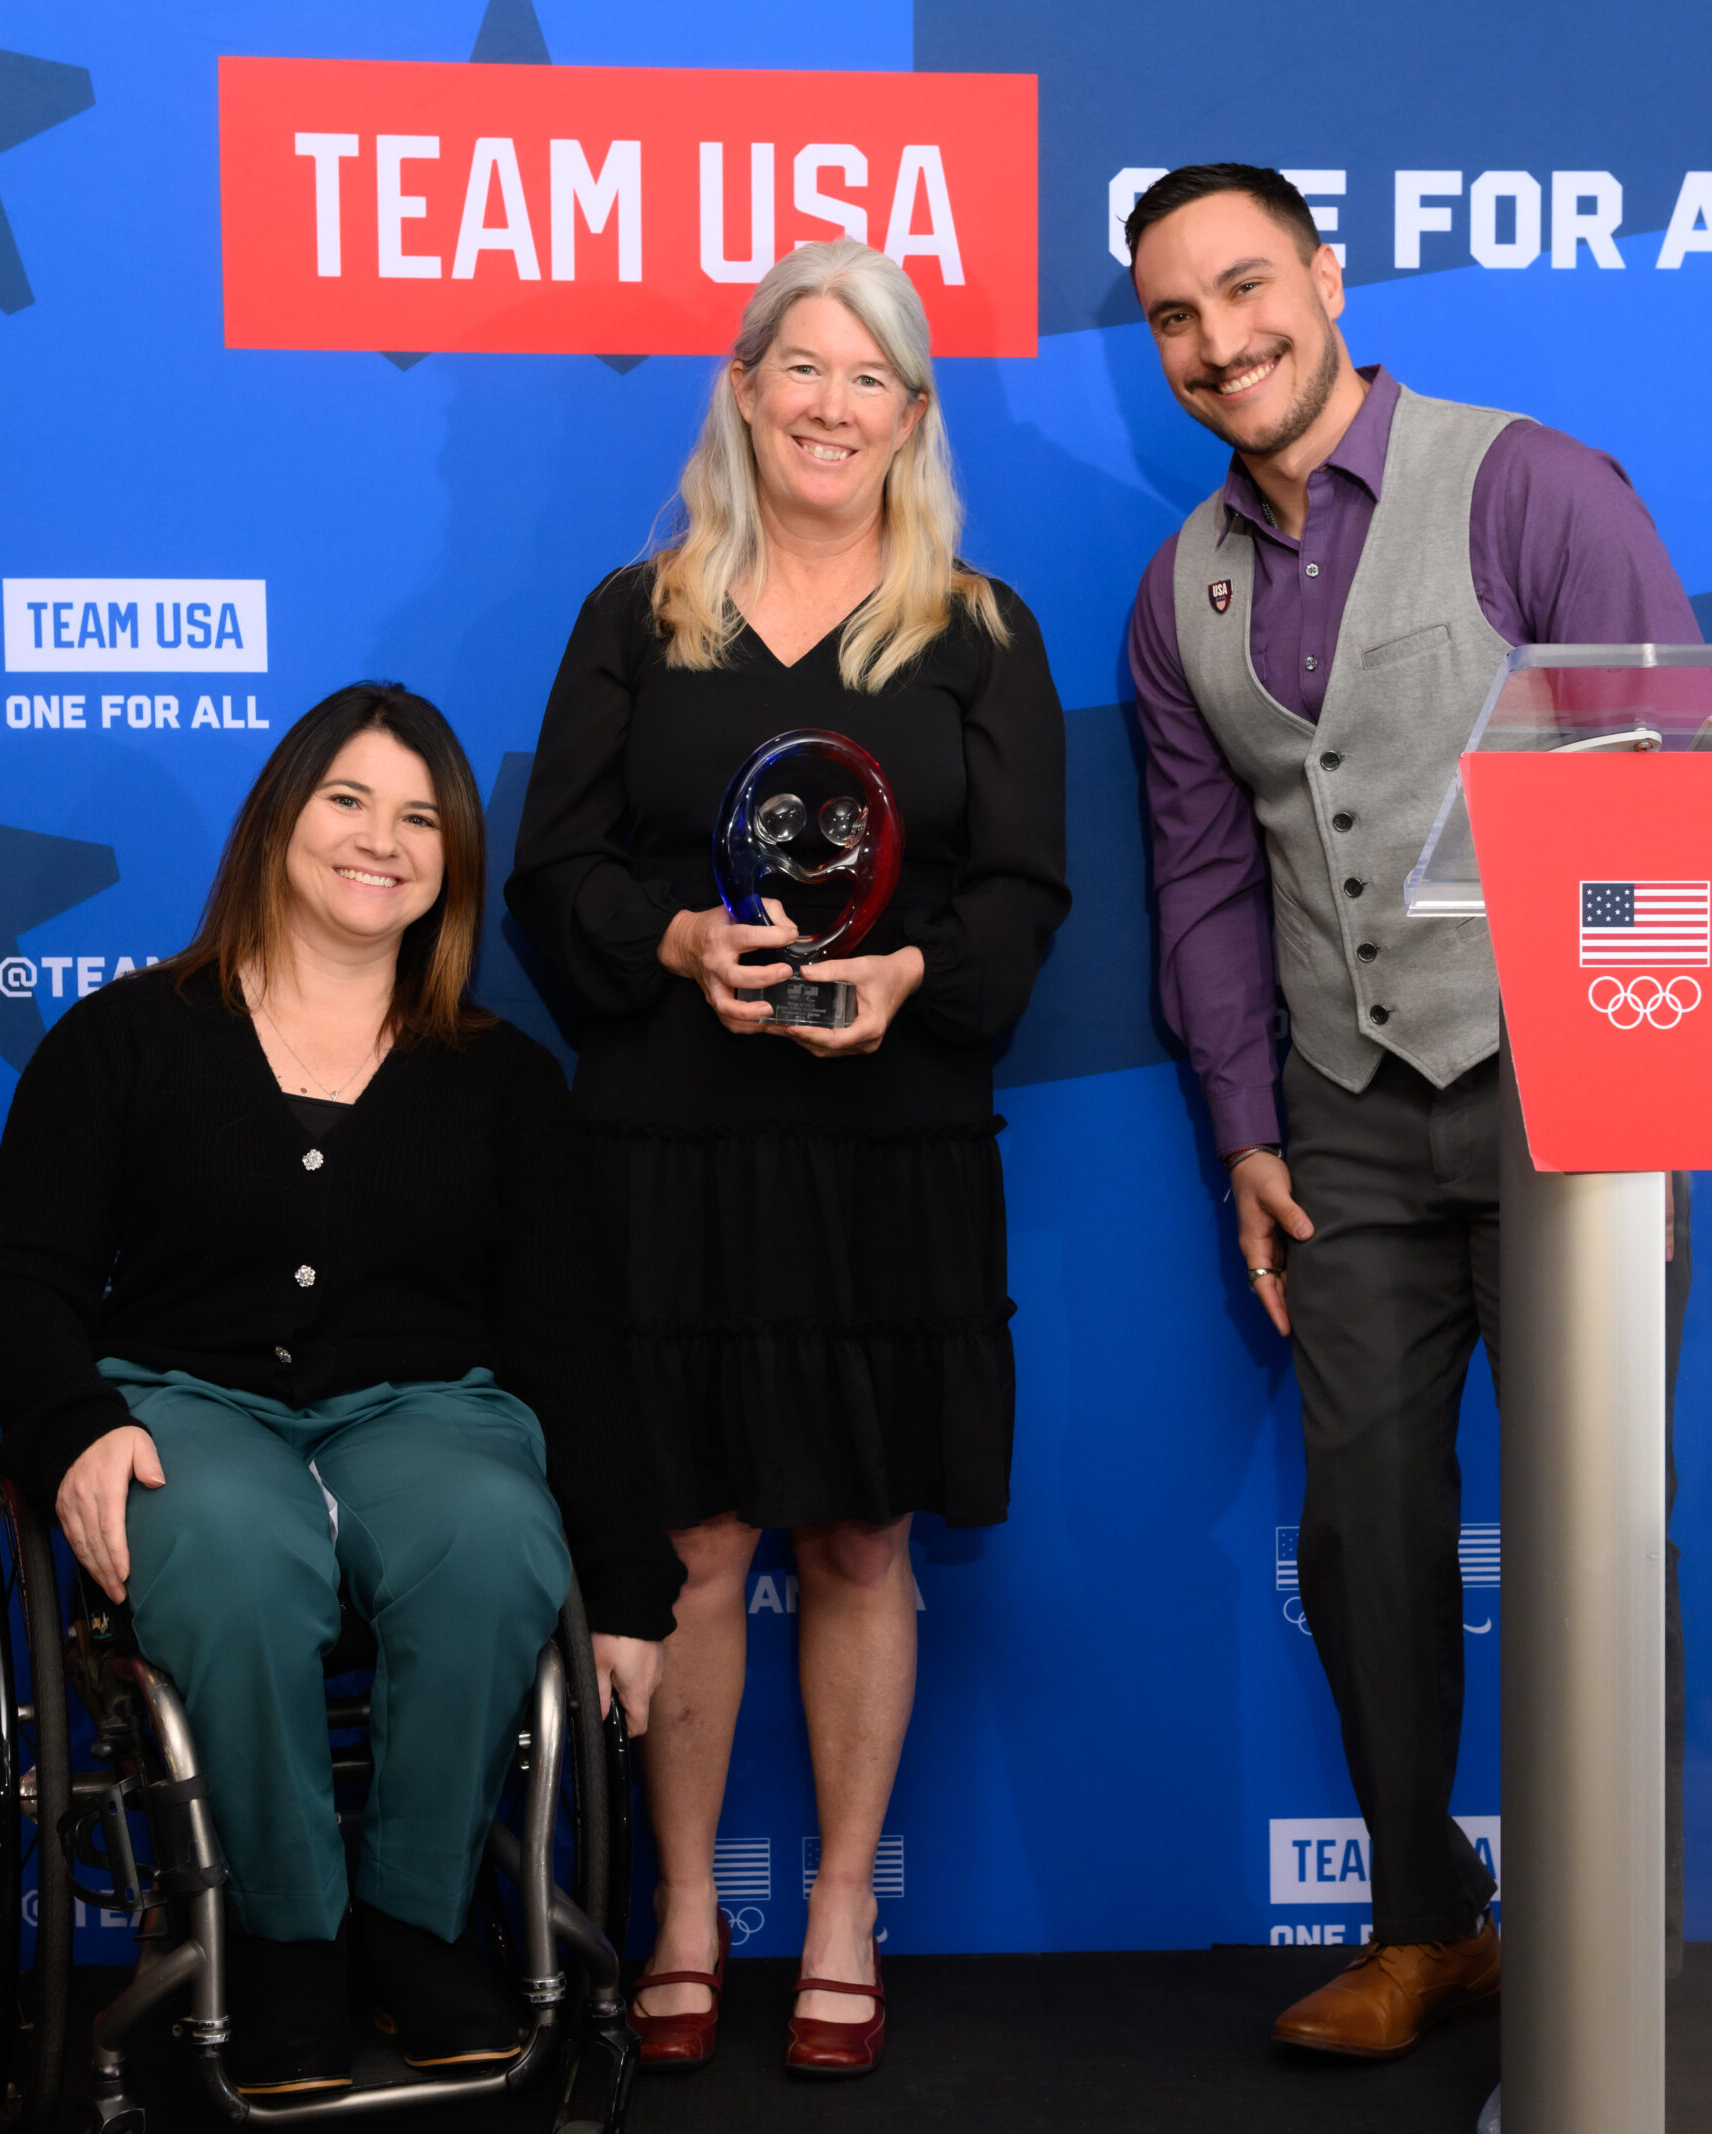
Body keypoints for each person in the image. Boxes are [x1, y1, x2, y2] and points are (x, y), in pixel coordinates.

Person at [1121, 165, 1698, 2060]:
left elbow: (1670, 803)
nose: (1220, 342)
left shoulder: (1536, 487)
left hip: (1566, 1094)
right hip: (1345, 1116)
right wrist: (1246, 1132)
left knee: (1594, 1527)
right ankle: (1422, 1921)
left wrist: (1637, 1084)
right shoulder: (1179, 591)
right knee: (1364, 1528)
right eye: (1176, 319)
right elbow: (1203, 880)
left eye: (1247, 289)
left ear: (1330, 278)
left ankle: (1612, 1926)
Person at [507, 240, 1068, 2079]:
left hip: (885, 1147)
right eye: (801, 369)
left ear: (913, 417)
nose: (832, 406)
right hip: (673, 1141)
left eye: (872, 379)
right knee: (689, 1538)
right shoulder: (634, 615)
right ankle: (684, 1907)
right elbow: (549, 880)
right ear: (742, 389)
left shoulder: (980, 630)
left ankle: (840, 1904)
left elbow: (1027, 891)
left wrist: (914, 970)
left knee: (858, 1526)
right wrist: (677, 945)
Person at [0, 683, 682, 2095]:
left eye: (421, 817)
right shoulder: (122, 1040)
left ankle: (416, 1924)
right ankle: (285, 1940)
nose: (382, 839)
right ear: (280, 816)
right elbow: (17, 1288)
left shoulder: (505, 1083)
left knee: (487, 1537)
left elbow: (571, 1340)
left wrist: (633, 1591)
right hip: (186, 1402)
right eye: (348, 798)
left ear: (453, 864)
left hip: (423, 1409)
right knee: (227, 1551)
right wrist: (75, 1430)